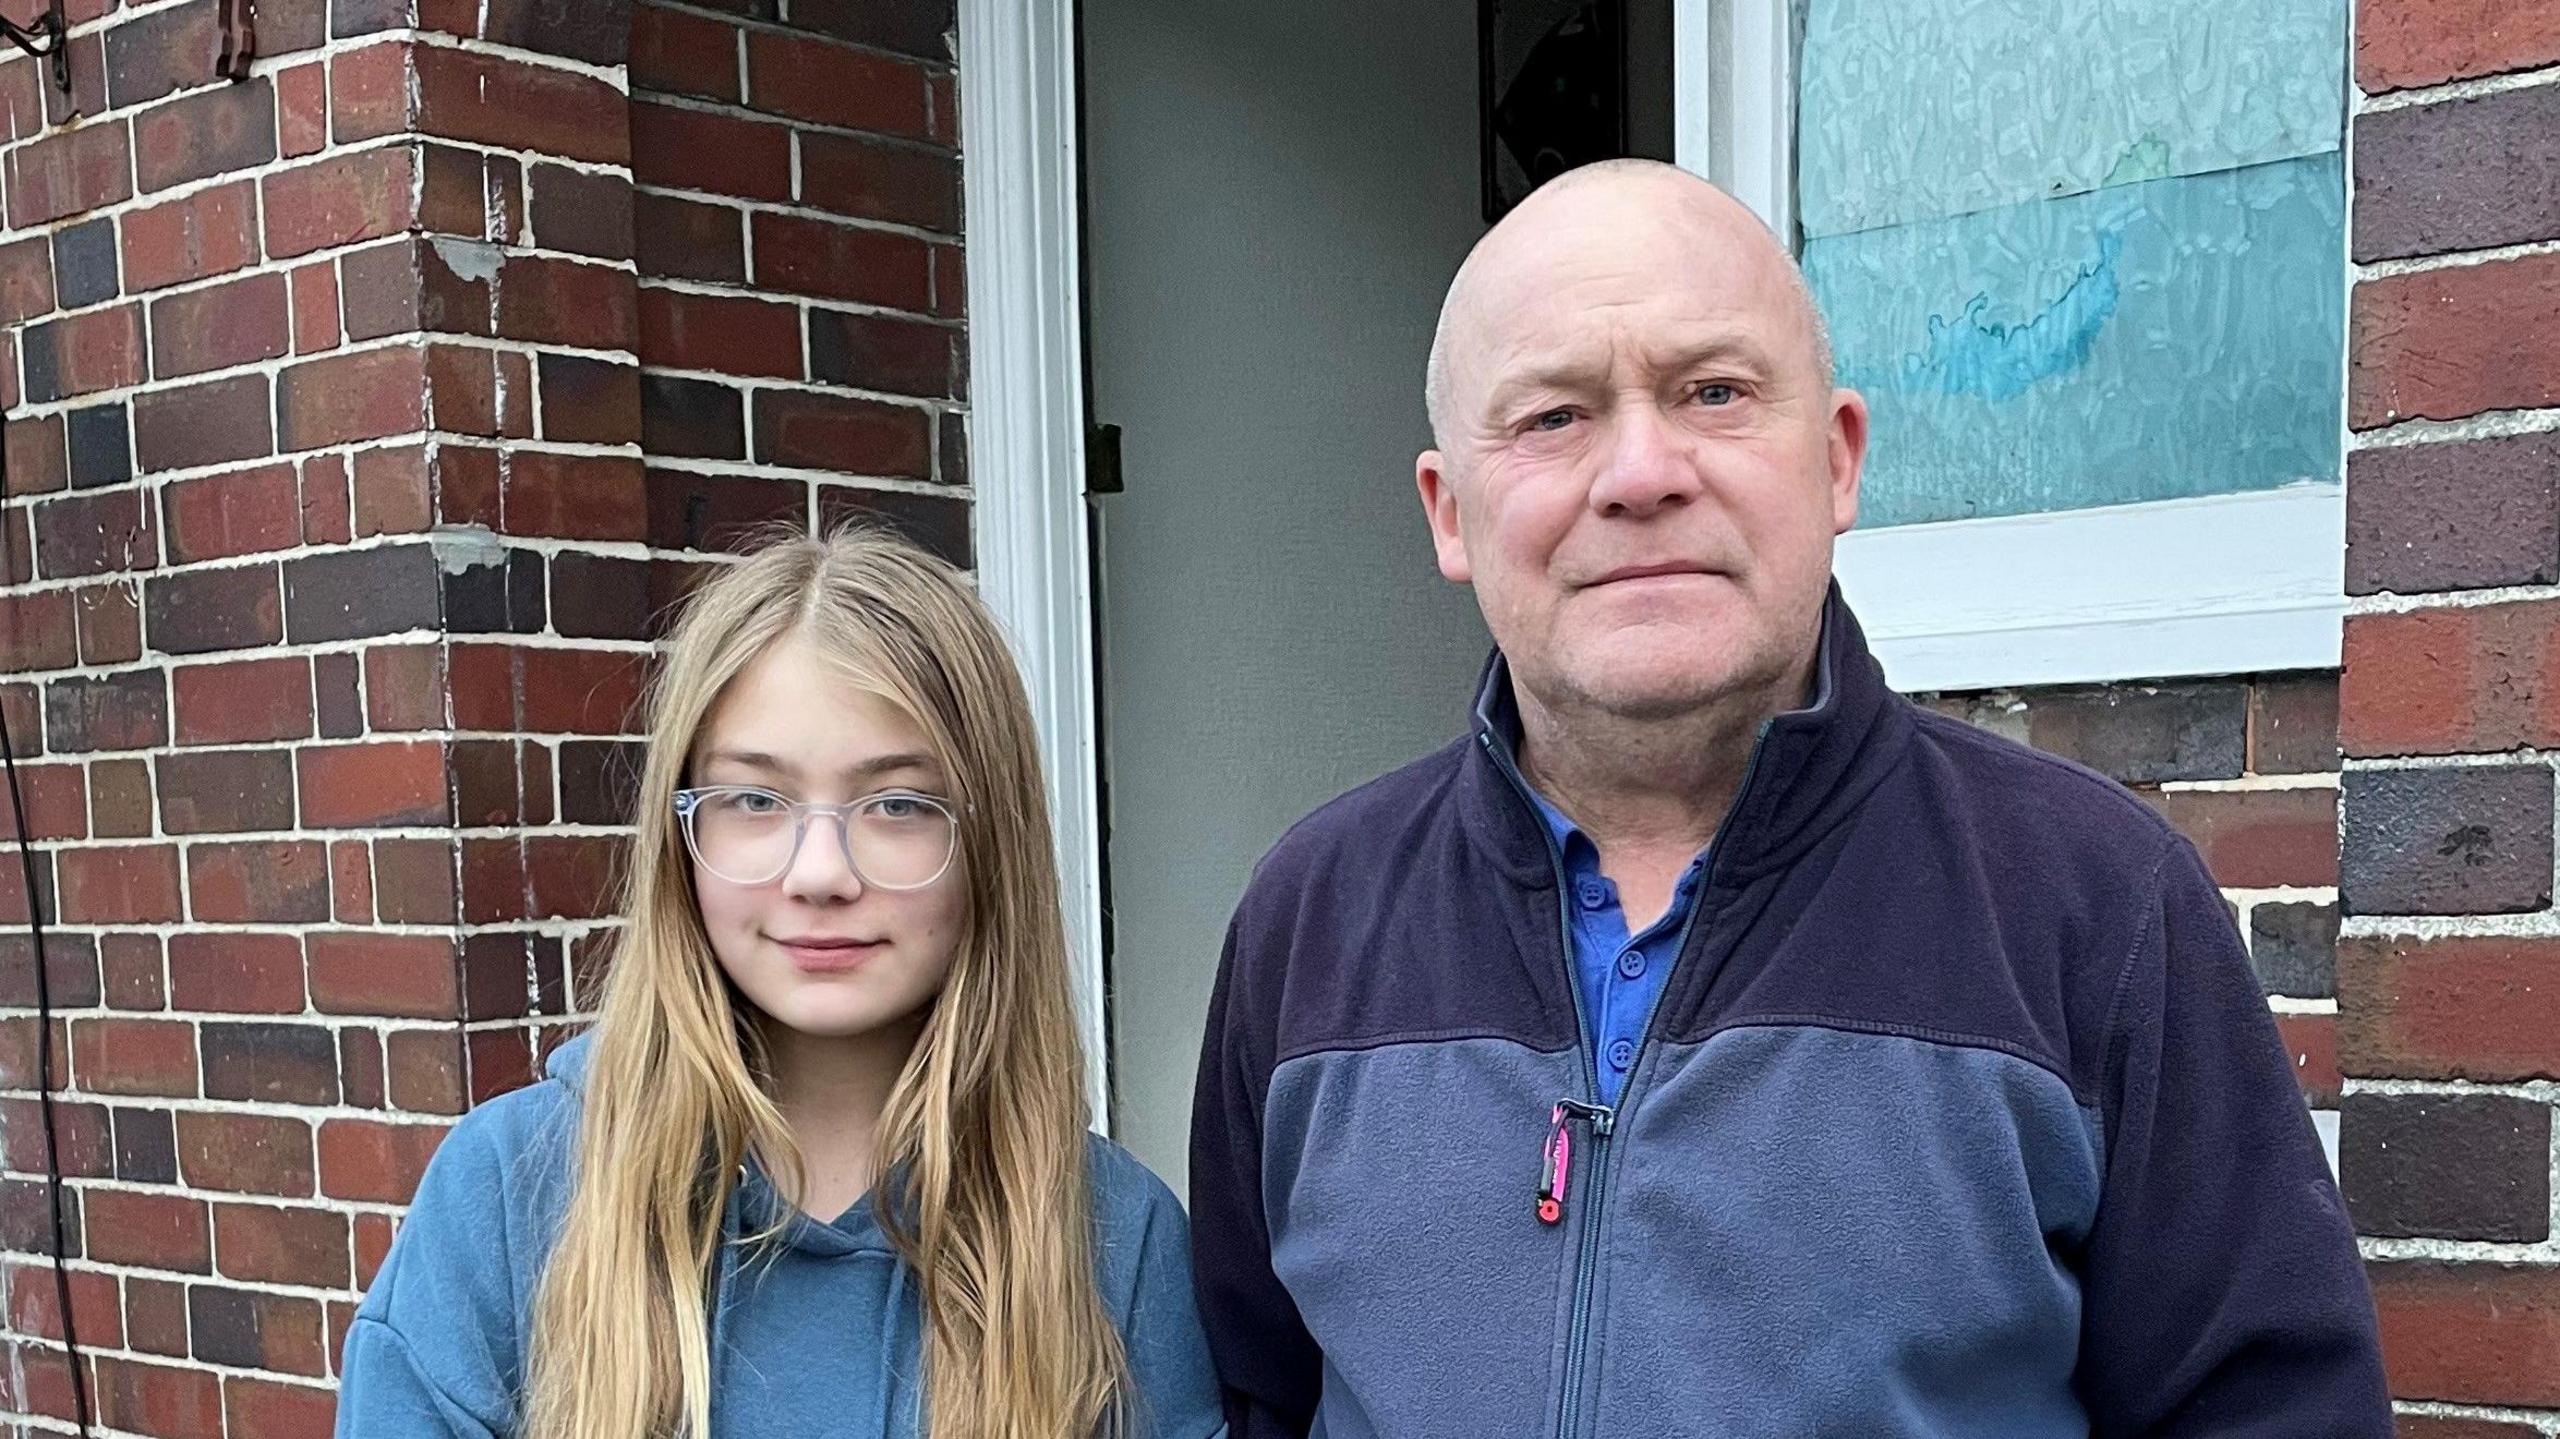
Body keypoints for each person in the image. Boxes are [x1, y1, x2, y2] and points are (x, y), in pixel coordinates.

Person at [1188, 159, 2388, 1437]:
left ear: (1836, 462)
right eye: (1551, 417)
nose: (1639, 471)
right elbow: (1258, 1393)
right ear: (1449, 512)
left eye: (1713, 392)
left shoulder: (2093, 907)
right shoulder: (1307, 919)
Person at [338, 529, 1225, 1438]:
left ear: (991, 842)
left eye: (899, 804)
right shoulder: (506, 1195)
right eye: (755, 800)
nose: (820, 872)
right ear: (681, 834)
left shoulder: (1115, 1238)